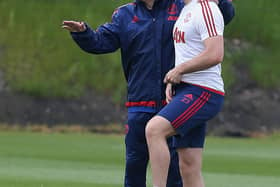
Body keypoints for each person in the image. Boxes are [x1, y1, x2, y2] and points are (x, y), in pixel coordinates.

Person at [62, 0, 234, 186]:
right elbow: (101, 42)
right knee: (135, 165)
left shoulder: (181, 6)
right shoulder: (124, 14)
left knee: (177, 168)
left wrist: (223, 2)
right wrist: (83, 34)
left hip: (176, 100)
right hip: (139, 102)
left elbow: (216, 17)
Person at [145, 0, 226, 187]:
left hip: (204, 91)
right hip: (186, 89)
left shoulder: (206, 8)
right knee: (189, 166)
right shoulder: (187, 9)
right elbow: (188, 52)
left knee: (154, 129)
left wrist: (180, 69)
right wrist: (175, 79)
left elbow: (215, 53)